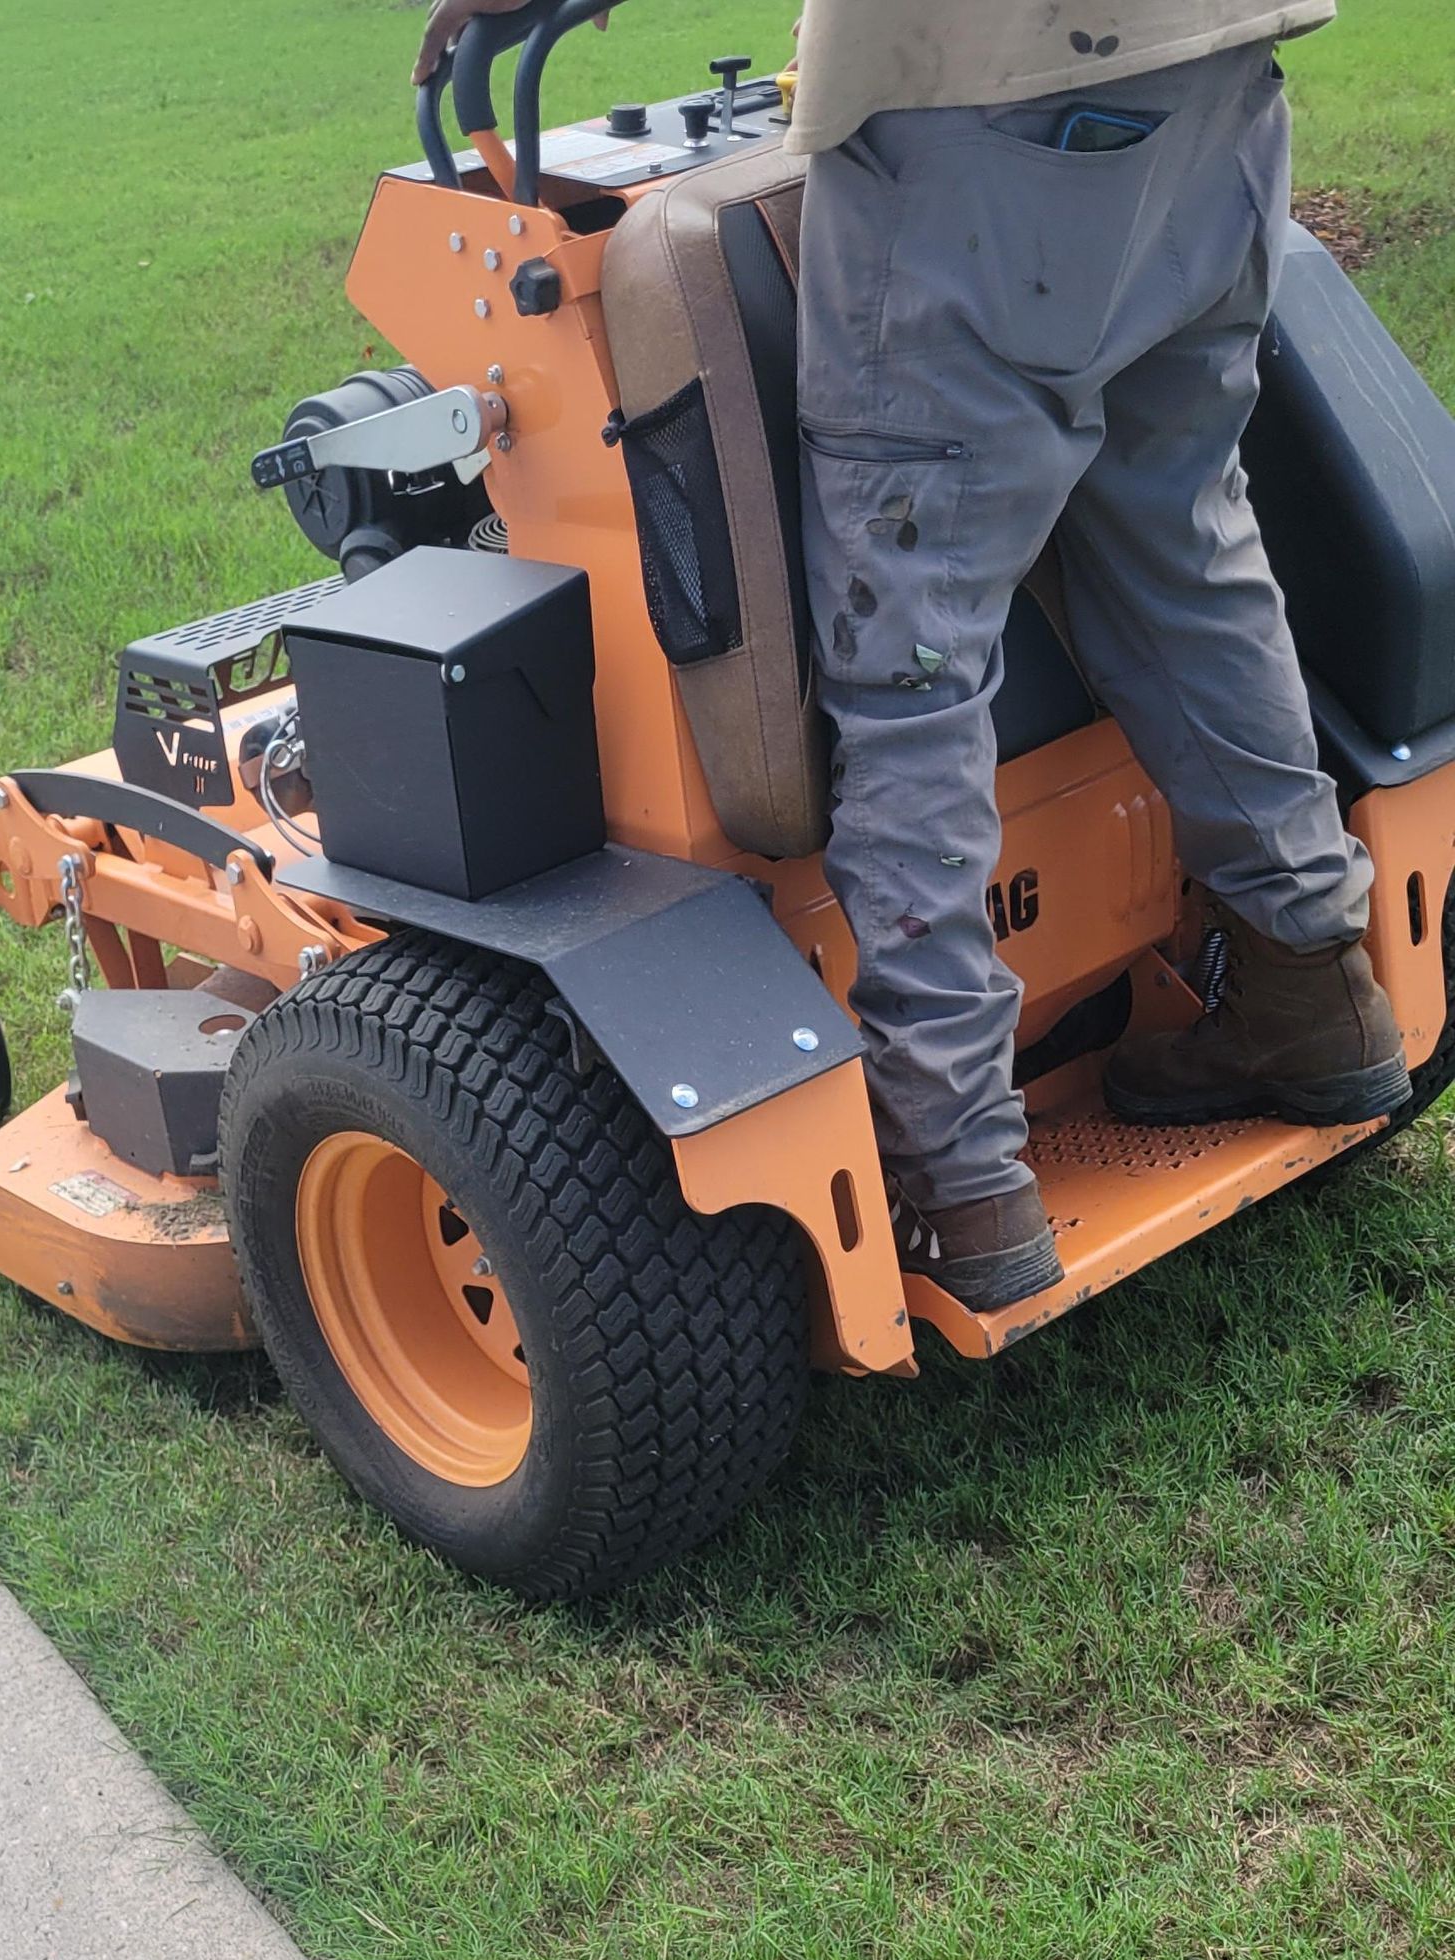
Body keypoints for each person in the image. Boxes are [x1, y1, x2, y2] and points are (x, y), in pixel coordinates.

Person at [415, 0, 1410, 1312]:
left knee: (911, 656)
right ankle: (1309, 988)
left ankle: (957, 1170)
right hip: (1214, 81)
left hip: (984, 120)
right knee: (1185, 539)